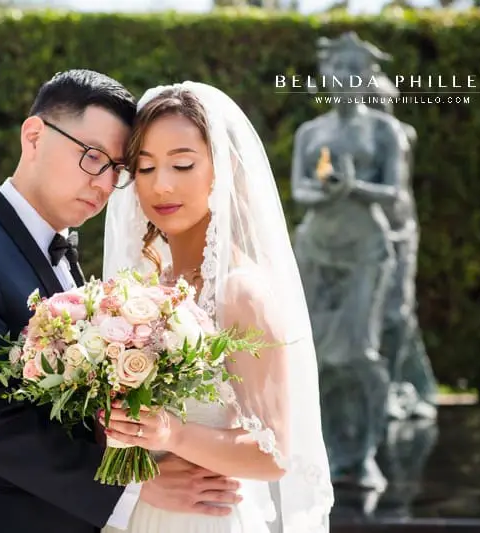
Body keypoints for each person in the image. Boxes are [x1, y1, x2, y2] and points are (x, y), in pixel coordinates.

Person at [0, 70, 243, 533]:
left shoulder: (66, 258)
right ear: (35, 135)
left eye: (118, 169)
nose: (104, 184)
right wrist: (137, 486)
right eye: (93, 157)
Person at [100, 82, 334, 532]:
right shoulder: (144, 290)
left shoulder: (243, 292)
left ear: (222, 170)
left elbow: (275, 453)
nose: (161, 185)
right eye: (145, 168)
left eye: (182, 164)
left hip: (206, 519)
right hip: (139, 513)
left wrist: (173, 434)